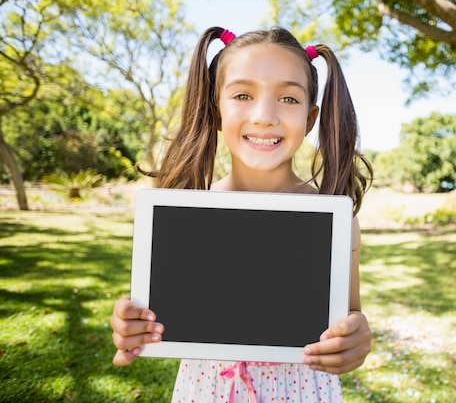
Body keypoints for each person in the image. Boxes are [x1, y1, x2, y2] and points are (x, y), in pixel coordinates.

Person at [110, 26, 373, 403]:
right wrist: (130, 324)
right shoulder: (184, 212)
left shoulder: (336, 220)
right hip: (205, 391)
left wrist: (356, 339)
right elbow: (155, 309)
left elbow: (350, 317)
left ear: (311, 118)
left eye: (288, 98)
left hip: (302, 393)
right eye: (243, 95)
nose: (265, 116)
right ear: (215, 108)